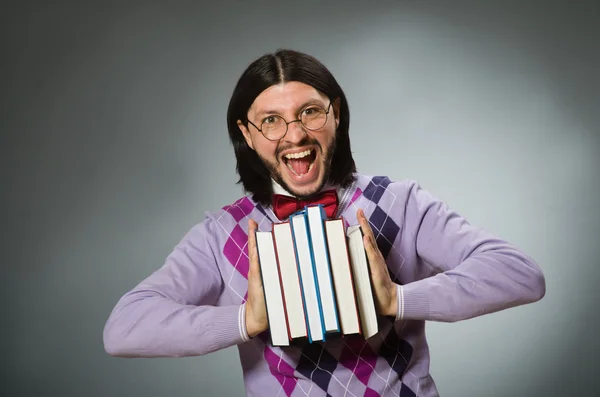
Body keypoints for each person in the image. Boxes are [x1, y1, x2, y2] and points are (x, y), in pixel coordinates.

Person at [103, 49, 546, 396]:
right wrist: (246, 320)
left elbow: (520, 274)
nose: (295, 135)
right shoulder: (221, 235)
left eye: (310, 112)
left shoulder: (400, 202)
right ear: (247, 134)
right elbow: (123, 328)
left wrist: (398, 299)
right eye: (271, 121)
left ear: (335, 113)